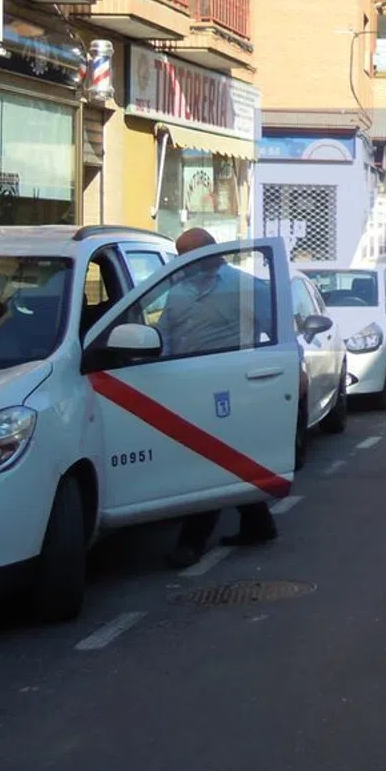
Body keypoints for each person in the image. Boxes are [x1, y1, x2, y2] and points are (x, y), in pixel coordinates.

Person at [164, 227, 279, 568]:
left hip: (229, 388)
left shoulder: (245, 287)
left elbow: (278, 333)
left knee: (209, 461)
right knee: (226, 460)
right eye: (180, 257)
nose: (183, 263)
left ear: (210, 255)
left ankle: (191, 542)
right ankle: (259, 524)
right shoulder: (176, 292)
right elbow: (166, 336)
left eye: (189, 256)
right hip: (185, 386)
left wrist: (293, 370)